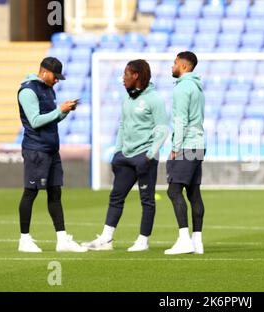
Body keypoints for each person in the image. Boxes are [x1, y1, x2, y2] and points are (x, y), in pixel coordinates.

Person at [82, 59, 168, 252]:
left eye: (126, 74)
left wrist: (149, 155)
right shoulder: (126, 98)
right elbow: (122, 126)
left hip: (144, 158)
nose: (123, 78)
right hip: (125, 156)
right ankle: (106, 239)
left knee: (146, 200)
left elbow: (162, 129)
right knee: (116, 197)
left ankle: (143, 240)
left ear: (136, 76)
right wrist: (117, 151)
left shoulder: (154, 99)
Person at [17, 57, 87, 252]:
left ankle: (62, 239)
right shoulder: (28, 90)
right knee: (30, 193)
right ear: (44, 72)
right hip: (36, 150)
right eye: (55, 77)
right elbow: (36, 121)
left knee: (55, 192)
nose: (57, 80)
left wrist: (65, 112)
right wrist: (59, 110)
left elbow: (51, 120)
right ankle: (24, 240)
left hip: (51, 149)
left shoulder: (48, 89)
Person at [165, 51, 206, 255]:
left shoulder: (182, 88)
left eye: (174, 63)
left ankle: (184, 240)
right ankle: (197, 241)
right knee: (193, 192)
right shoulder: (198, 87)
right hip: (199, 144)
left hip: (187, 145)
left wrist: (175, 147)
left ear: (183, 66)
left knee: (173, 191)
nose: (172, 66)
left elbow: (180, 120)